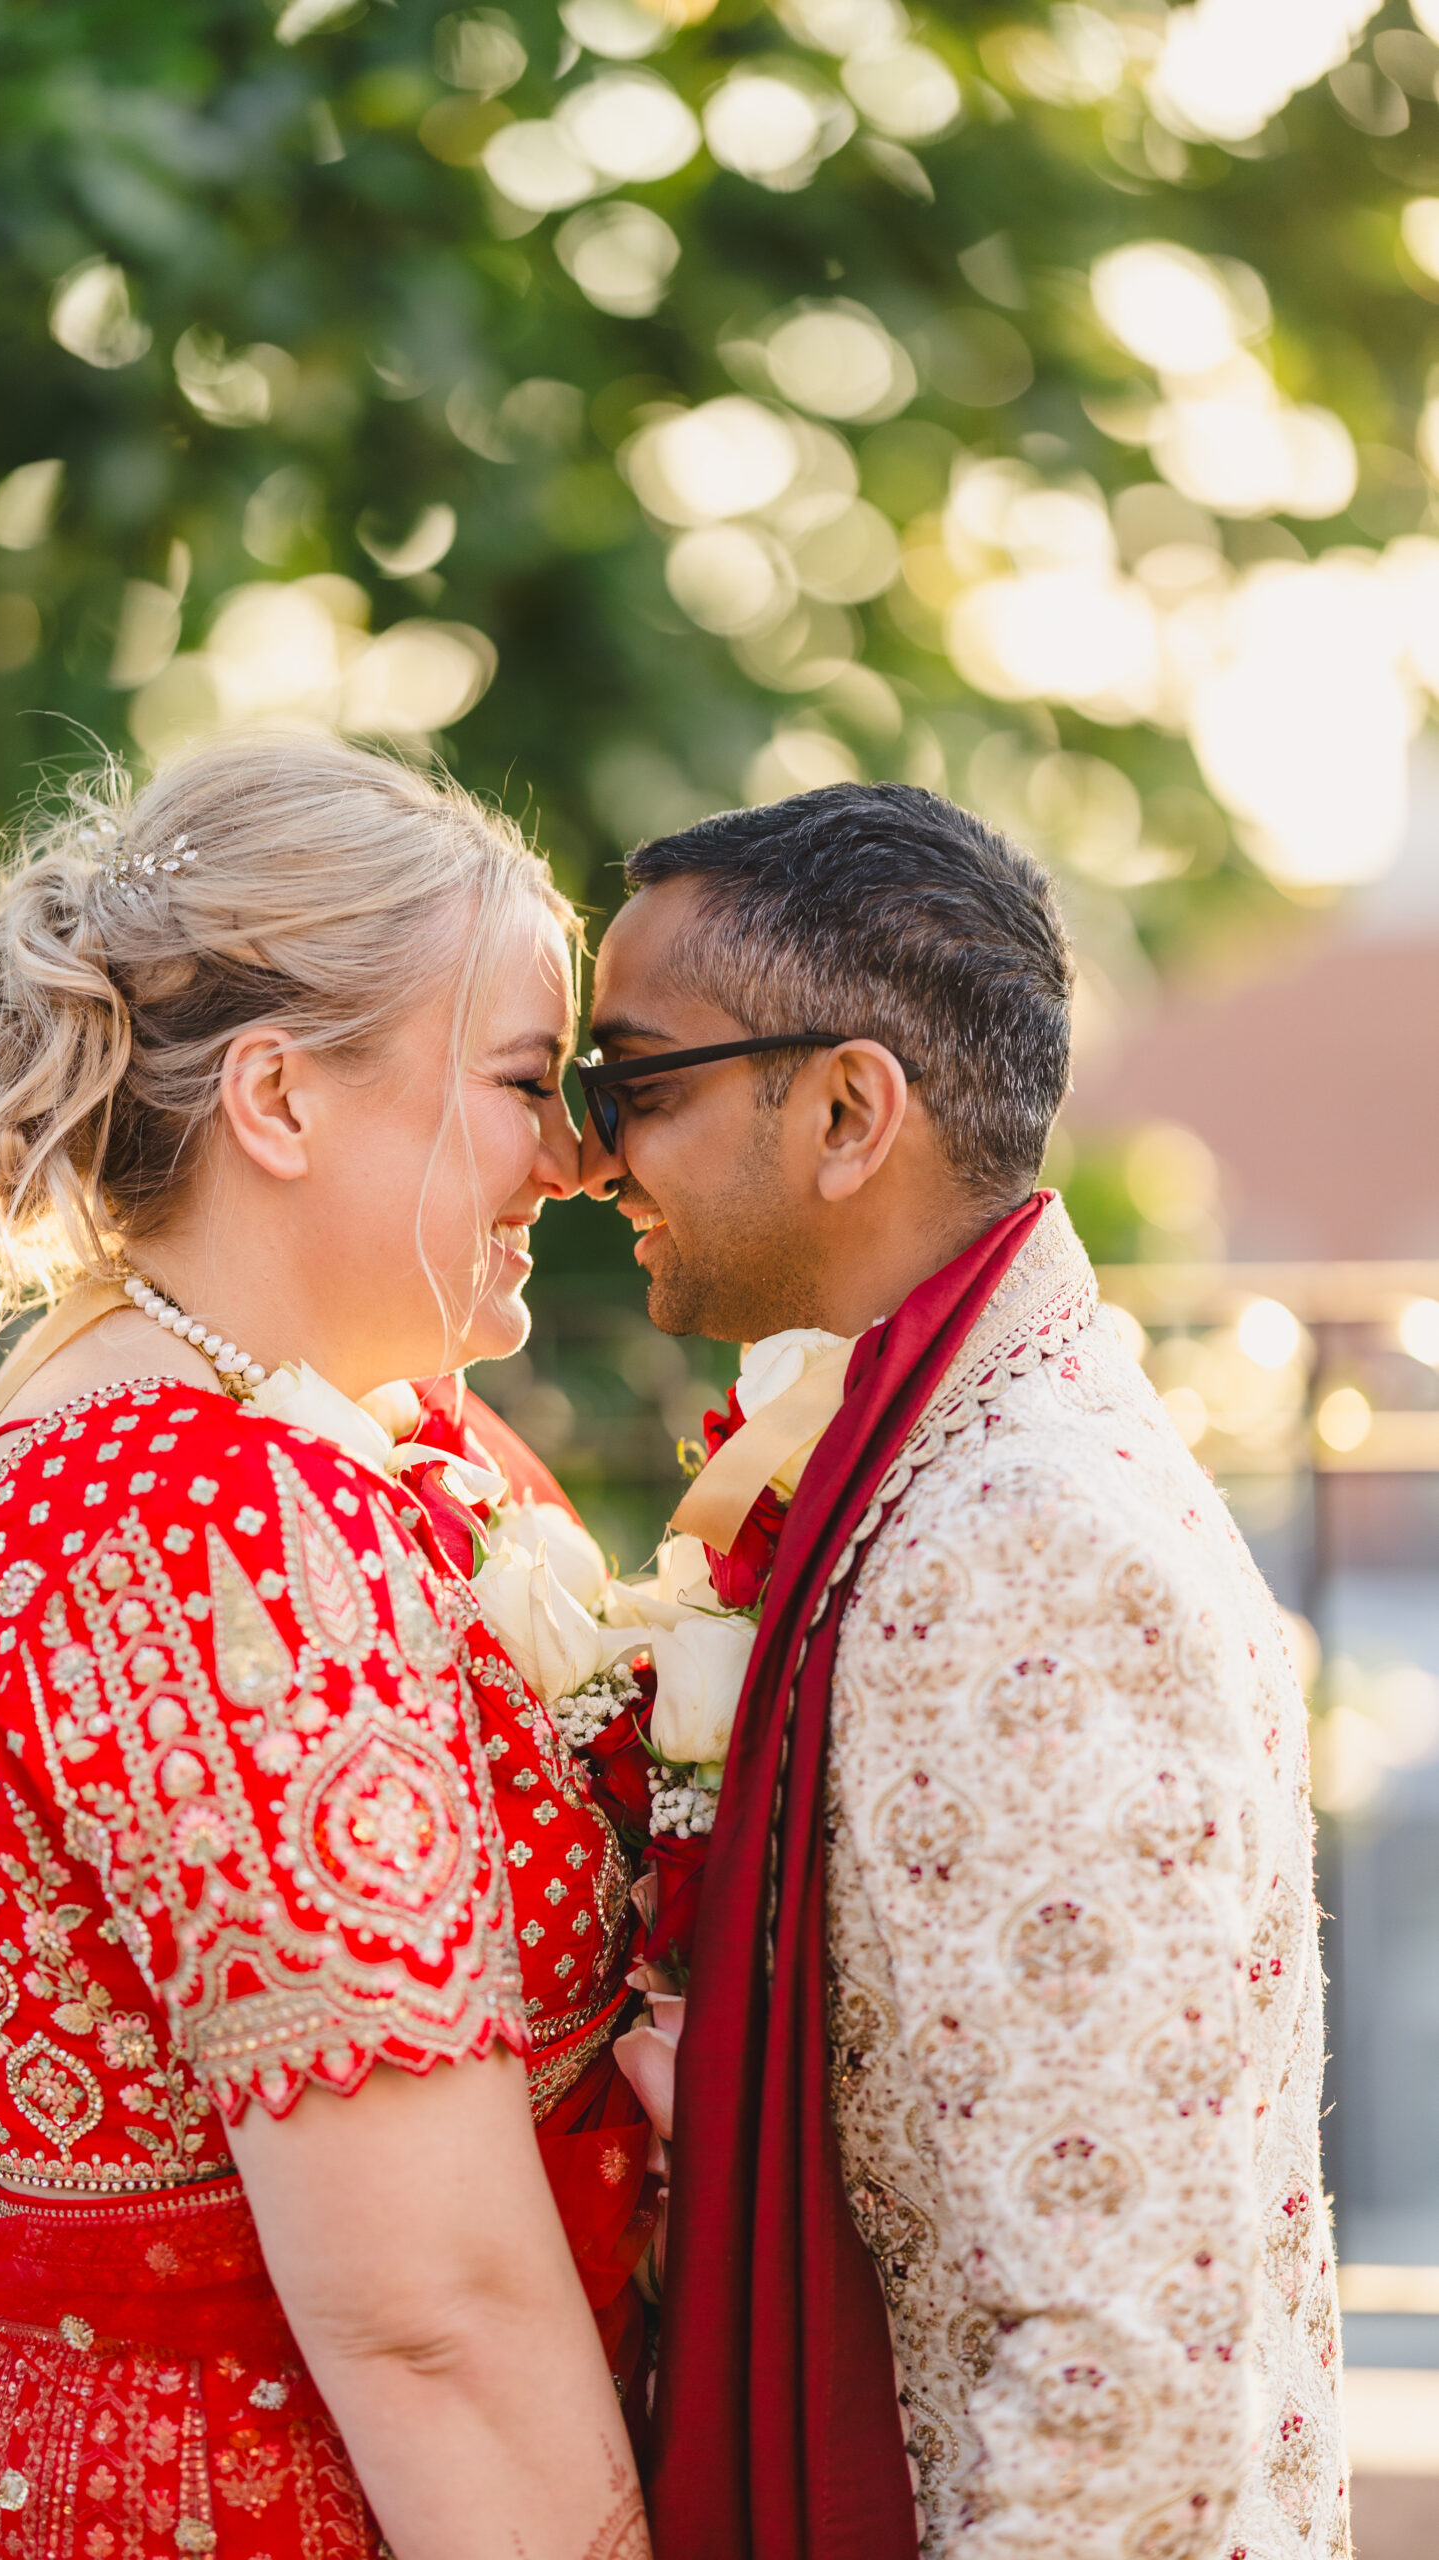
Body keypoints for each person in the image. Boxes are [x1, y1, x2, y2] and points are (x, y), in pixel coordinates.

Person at [0, 738, 653, 2560]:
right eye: (522, 1081)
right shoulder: (210, 1521)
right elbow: (432, 2320)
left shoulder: (130, 1434)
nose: (578, 1157)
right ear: (278, 1097)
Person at [580, 782, 1346, 2560]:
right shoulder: (960, 1457)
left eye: (635, 1085)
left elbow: (1119, 2387)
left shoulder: (1019, 1544)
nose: (592, 1156)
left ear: (850, 1111)